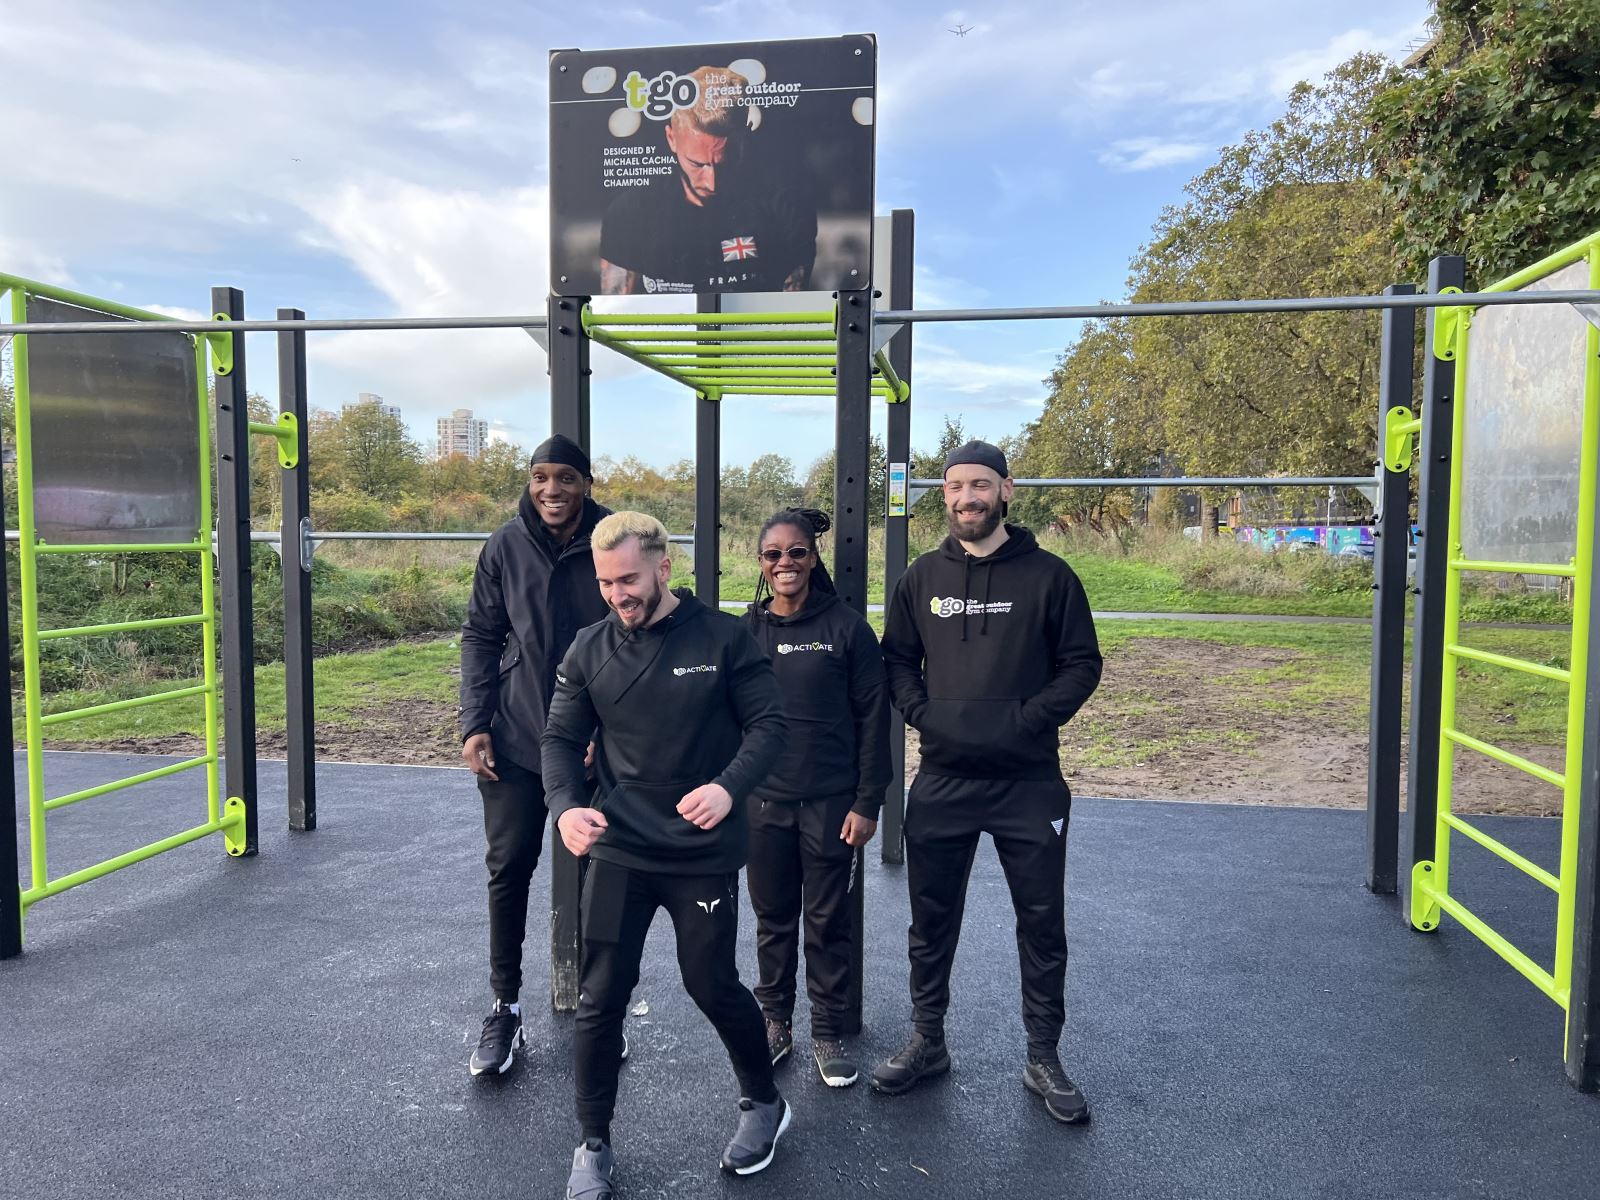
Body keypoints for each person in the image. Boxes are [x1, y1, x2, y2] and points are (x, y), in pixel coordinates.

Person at [543, 511, 791, 1198]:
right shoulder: (589, 648)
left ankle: (764, 1103)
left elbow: (770, 726)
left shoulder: (722, 638)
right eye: (605, 583)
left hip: (699, 849)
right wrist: (565, 808)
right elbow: (559, 740)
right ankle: (592, 1143)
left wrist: (727, 787)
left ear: (664, 567)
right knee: (600, 996)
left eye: (628, 579)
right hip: (620, 846)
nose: (617, 595)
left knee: (710, 983)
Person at [871, 440, 1103, 1125]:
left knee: (1041, 922)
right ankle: (928, 1040)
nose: (966, 498)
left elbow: (1082, 664)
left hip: (1028, 782)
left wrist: (1026, 721)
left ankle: (1042, 1056)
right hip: (942, 779)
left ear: (1006, 489)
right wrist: (925, 715)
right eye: (954, 487)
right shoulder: (921, 577)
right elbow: (896, 661)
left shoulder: (1050, 577)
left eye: (979, 485)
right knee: (931, 920)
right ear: (943, 495)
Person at [457, 434, 611, 1077]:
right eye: (541, 476)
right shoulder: (504, 545)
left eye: (566, 478)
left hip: (595, 747)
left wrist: (613, 728)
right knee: (509, 870)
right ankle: (505, 1007)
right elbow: (481, 635)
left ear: (587, 484)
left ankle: (601, 1010)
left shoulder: (613, 539)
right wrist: (475, 723)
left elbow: (637, 632)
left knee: (602, 876)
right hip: (517, 737)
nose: (552, 489)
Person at [742, 507, 890, 1088]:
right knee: (772, 919)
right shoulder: (746, 632)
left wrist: (869, 801)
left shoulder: (847, 629)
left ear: (813, 557)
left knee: (827, 922)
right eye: (773, 554)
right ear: (761, 562)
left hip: (831, 805)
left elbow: (874, 720)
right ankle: (774, 1023)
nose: (785, 563)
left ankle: (827, 1030)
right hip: (762, 804)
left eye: (797, 552)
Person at [599, 64, 816, 295]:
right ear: (671, 138)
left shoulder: (786, 207)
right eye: (697, 164)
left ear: (745, 138)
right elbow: (614, 310)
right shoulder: (630, 213)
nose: (712, 183)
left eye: (725, 164)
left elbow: (792, 307)